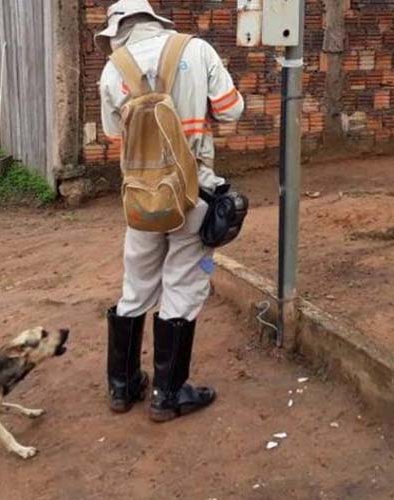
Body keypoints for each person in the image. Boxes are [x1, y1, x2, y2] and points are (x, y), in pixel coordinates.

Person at [96, 0, 245, 422]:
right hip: (192, 193)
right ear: (153, 19)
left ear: (117, 29)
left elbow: (112, 136)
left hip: (142, 199)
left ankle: (123, 387)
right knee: (183, 283)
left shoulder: (113, 68)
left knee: (136, 285)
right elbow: (233, 110)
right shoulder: (196, 51)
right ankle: (168, 394)